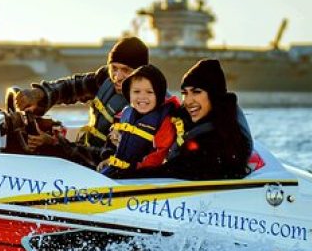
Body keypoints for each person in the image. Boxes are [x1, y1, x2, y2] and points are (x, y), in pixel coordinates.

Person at [16, 36, 149, 162]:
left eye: (126, 70)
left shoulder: (142, 107)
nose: (117, 76)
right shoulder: (105, 79)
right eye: (114, 68)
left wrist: (55, 144)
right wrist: (41, 93)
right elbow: (75, 86)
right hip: (81, 151)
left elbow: (106, 158)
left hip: (100, 169)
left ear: (140, 73)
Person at [136, 58, 252, 180]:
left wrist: (131, 175)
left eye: (196, 92)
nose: (188, 101)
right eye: (185, 93)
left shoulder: (227, 138)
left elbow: (188, 168)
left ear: (213, 94)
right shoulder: (182, 120)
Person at [98, 64, 179, 177]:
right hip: (116, 170)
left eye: (149, 92)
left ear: (159, 95)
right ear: (129, 94)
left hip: (141, 176)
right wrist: (107, 158)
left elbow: (160, 154)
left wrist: (138, 171)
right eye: (136, 92)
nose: (142, 97)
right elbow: (112, 141)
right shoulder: (126, 113)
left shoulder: (164, 121)